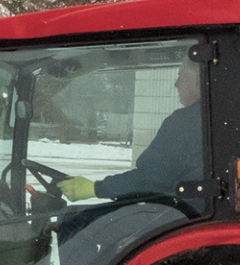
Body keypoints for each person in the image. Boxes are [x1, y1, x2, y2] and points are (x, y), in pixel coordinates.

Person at [57, 55, 204, 203]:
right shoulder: (205, 118)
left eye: (181, 77)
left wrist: (94, 189)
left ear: (198, 81)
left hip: (189, 212)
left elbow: (150, 178)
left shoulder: (186, 122)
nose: (176, 84)